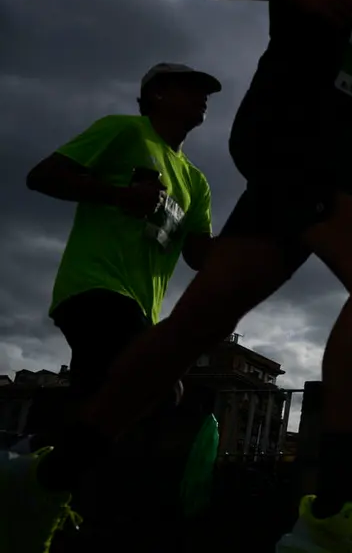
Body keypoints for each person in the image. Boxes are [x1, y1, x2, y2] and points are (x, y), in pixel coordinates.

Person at [0, 0, 352, 553]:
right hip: (295, 135)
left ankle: (44, 482)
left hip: (329, 156)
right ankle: (335, 506)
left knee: (189, 332)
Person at [28, 61, 220, 433]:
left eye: (206, 93)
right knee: (155, 389)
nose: (203, 99)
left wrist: (264, 228)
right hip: (94, 287)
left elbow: (199, 256)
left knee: (114, 407)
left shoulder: (197, 182)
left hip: (141, 309)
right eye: (191, 88)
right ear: (157, 94)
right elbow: (42, 176)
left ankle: (40, 458)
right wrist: (118, 195)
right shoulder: (124, 130)